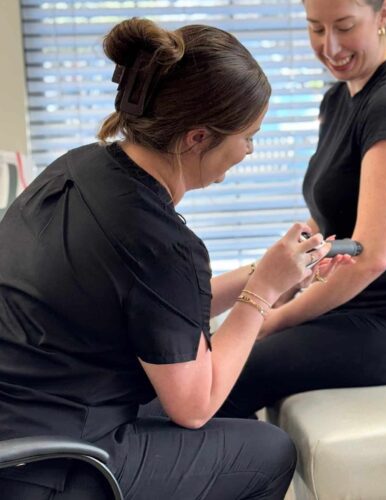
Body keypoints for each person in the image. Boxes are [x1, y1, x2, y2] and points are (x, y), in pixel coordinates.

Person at [0, 17, 346, 500]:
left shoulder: (78, 167)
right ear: (197, 138)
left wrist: (270, 272)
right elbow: (195, 406)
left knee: (230, 410)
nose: (249, 150)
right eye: (248, 135)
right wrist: (261, 293)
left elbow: (154, 306)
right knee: (268, 451)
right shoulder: (159, 241)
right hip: (51, 465)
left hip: (25, 424)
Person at [217, 0, 386, 419]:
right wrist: (274, 286)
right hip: (349, 312)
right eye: (316, 28)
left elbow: (371, 258)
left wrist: (272, 320)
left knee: (232, 373)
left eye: (344, 27)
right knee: (221, 354)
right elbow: (325, 219)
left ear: (384, 14)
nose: (330, 47)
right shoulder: (337, 98)